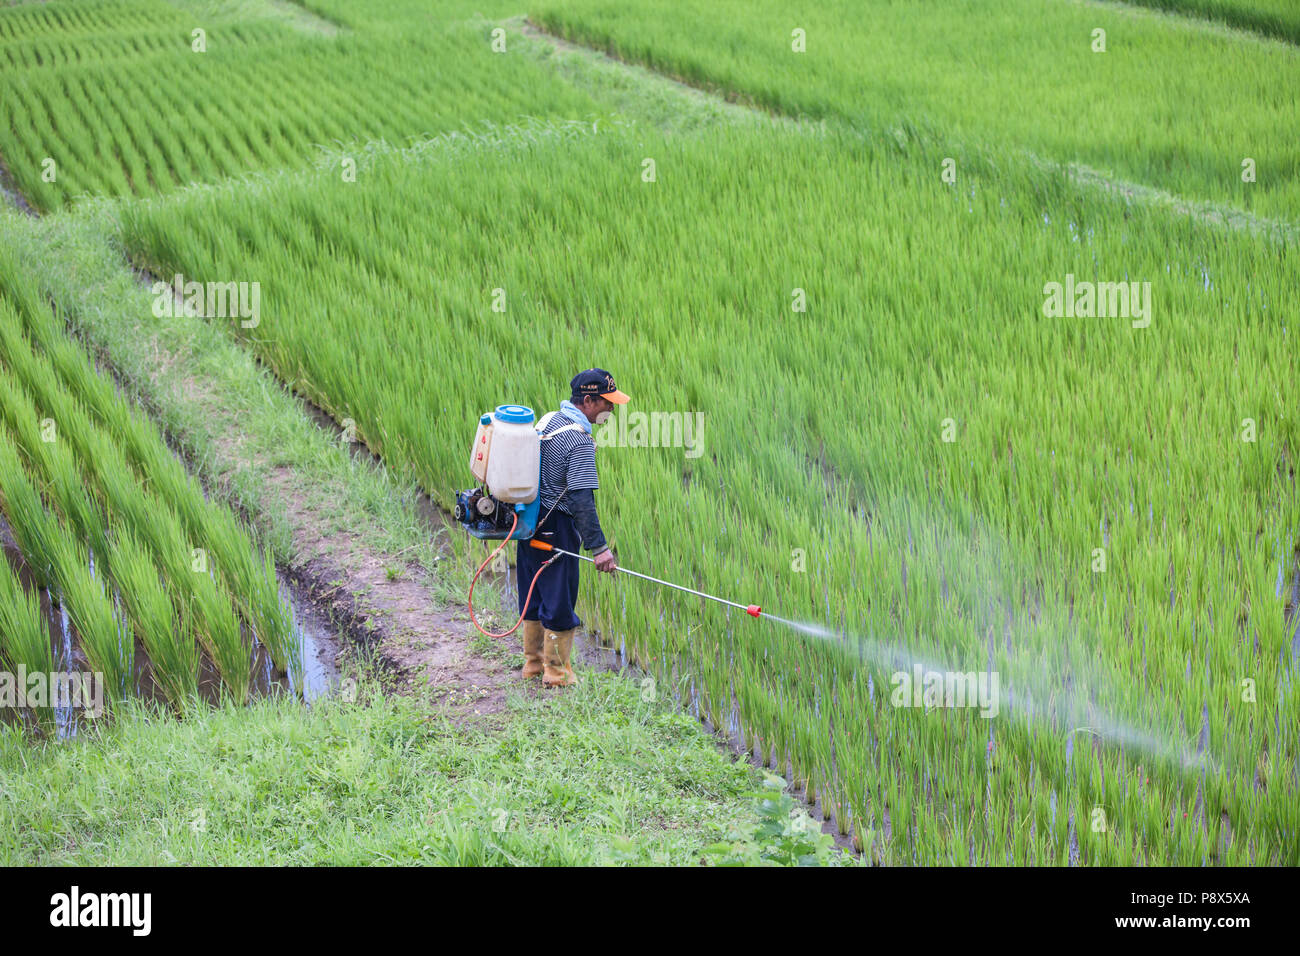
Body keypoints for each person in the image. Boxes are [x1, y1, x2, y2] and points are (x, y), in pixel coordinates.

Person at [517, 368, 629, 687]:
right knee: (559, 598)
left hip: (529, 522)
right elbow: (581, 501)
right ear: (589, 401)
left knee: (534, 593)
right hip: (558, 528)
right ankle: (557, 672)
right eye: (607, 403)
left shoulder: (550, 420)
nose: (611, 409)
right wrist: (600, 549)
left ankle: (532, 665)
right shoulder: (578, 441)